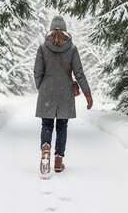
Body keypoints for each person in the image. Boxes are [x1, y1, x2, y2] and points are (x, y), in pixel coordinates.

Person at [34, 16, 93, 174]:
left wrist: (41, 87)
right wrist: (87, 93)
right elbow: (79, 73)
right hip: (65, 93)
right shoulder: (72, 49)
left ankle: (45, 148)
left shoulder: (43, 48)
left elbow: (37, 72)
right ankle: (59, 161)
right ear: (65, 31)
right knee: (62, 127)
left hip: (47, 91)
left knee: (46, 124)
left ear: (51, 30)